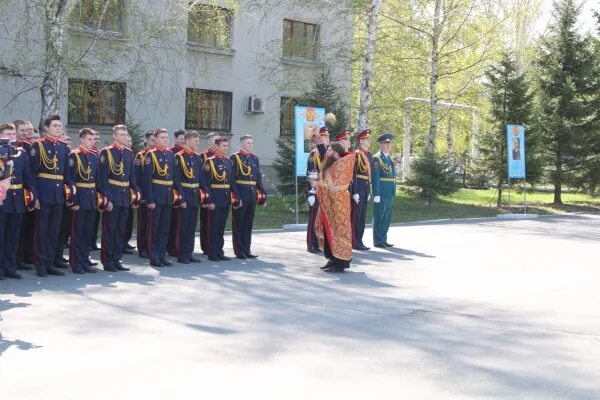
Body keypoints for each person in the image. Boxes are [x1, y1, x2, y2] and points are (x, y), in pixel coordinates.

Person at [29, 115, 72, 277]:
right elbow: (32, 173)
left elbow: (67, 175)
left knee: (55, 230)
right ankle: (40, 263)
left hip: (58, 193)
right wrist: (35, 196)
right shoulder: (38, 145)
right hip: (44, 191)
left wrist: (69, 194)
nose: (59, 128)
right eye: (55, 126)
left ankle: (50, 262)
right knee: (42, 229)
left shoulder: (63, 147)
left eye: (60, 126)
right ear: (46, 128)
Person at [98, 124, 139, 272]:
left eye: (125, 134)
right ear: (114, 136)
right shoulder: (106, 153)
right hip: (113, 195)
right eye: (121, 134)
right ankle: (107, 261)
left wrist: (135, 195)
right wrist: (107, 199)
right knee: (110, 229)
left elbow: (132, 178)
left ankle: (116, 259)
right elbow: (103, 179)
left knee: (121, 230)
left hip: (124, 196)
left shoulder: (128, 153)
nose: (125, 137)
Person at [0, 123, 36, 280]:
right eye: (8, 134)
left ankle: (10, 267)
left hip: (17, 199)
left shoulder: (21, 153)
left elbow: (28, 176)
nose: (12, 137)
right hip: (3, 198)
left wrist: (33, 194)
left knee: (14, 236)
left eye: (13, 134)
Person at [314, 142, 356, 273]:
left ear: (336, 152)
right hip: (330, 204)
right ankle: (332, 258)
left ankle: (340, 263)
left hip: (338, 204)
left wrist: (317, 183)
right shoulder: (332, 163)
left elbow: (333, 186)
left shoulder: (341, 165)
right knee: (329, 231)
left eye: (329, 150)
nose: (327, 152)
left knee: (338, 232)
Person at [67, 128, 100, 274]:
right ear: (81, 140)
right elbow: (71, 180)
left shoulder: (94, 156)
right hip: (80, 197)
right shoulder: (74, 155)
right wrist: (73, 201)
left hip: (91, 198)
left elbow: (97, 180)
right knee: (78, 232)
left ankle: (85, 260)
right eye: (89, 139)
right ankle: (76, 263)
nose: (92, 142)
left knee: (87, 232)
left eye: (93, 139)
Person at [230, 134, 266, 259]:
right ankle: (239, 250)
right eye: (248, 143)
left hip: (251, 195)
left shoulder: (254, 158)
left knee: (248, 224)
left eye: (251, 143)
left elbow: (258, 178)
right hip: (241, 194)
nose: (250, 145)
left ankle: (247, 249)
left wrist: (263, 195)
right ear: (242, 144)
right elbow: (232, 179)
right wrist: (236, 197)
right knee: (239, 224)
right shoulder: (235, 158)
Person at [143, 128, 175, 267]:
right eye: (162, 137)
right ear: (155, 139)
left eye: (166, 137)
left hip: (167, 196)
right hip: (156, 196)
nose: (165, 140)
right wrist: (150, 200)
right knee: (154, 228)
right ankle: (154, 256)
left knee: (164, 228)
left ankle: (162, 255)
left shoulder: (169, 154)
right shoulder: (151, 155)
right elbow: (147, 179)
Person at [173, 131, 207, 264]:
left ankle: (189, 252)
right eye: (195, 141)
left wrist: (205, 195)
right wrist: (181, 198)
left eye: (198, 141)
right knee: (183, 226)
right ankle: (181, 253)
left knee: (192, 226)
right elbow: (177, 180)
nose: (198, 143)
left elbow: (200, 178)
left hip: (194, 195)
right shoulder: (179, 157)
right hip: (185, 194)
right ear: (187, 141)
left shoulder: (197, 158)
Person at [202, 137, 232, 262]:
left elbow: (229, 181)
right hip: (215, 198)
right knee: (214, 227)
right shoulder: (210, 161)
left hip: (225, 198)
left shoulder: (227, 161)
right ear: (217, 146)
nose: (226, 148)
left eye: (227, 146)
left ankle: (220, 251)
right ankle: (212, 252)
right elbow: (206, 184)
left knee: (221, 227)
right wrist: (210, 201)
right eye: (223, 146)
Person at [14, 120, 35, 270]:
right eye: (22, 130)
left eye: (28, 130)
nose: (26, 133)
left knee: (26, 228)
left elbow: (31, 173)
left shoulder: (28, 148)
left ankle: (22, 257)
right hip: (12, 192)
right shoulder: (13, 148)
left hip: (26, 192)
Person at [306, 126, 330, 253]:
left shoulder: (327, 154)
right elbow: (312, 173)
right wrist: (311, 191)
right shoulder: (314, 154)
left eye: (327, 137)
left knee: (321, 219)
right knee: (313, 218)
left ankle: (320, 243)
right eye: (324, 137)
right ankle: (312, 244)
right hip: (315, 191)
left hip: (325, 190)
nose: (327, 139)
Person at [371, 133, 396, 248]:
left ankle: (383, 239)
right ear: (380, 144)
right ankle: (378, 240)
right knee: (379, 216)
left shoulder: (388, 158)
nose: (388, 145)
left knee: (386, 217)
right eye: (385, 143)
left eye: (389, 143)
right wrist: (376, 194)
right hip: (381, 193)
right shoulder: (377, 158)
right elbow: (375, 177)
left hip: (389, 193)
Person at [134, 131, 155, 258]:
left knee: (154, 223)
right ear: (146, 142)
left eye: (155, 140)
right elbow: (137, 177)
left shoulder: (157, 155)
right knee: (143, 223)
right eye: (152, 140)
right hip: (144, 196)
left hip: (156, 194)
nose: (154, 143)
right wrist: (140, 196)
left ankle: (151, 246)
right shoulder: (141, 156)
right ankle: (142, 247)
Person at [351, 129, 372, 251]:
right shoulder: (357, 154)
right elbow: (353, 174)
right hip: (358, 187)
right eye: (367, 139)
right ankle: (355, 241)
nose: (369, 141)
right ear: (361, 140)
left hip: (365, 187)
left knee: (363, 217)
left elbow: (368, 176)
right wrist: (355, 191)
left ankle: (360, 240)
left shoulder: (368, 154)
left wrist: (368, 190)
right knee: (356, 217)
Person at [167, 129, 186, 256]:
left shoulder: (187, 153)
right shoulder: (172, 153)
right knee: (173, 222)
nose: (183, 141)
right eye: (181, 139)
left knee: (182, 222)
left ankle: (180, 246)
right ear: (175, 139)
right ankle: (171, 246)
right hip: (174, 191)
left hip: (186, 190)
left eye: (185, 139)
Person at [199, 132, 219, 254]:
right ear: (209, 142)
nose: (217, 143)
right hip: (208, 192)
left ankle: (215, 246)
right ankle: (206, 246)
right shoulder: (204, 156)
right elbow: (203, 178)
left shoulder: (220, 156)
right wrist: (206, 197)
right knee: (207, 221)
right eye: (214, 141)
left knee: (217, 223)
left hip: (219, 193)